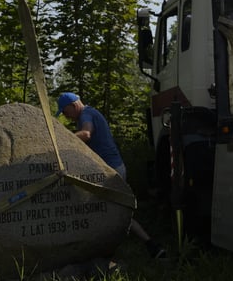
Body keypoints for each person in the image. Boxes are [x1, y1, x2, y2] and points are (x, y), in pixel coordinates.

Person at [57, 92, 166, 259]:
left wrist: (62, 140)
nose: (66, 116)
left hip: (112, 171)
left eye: (65, 112)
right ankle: (151, 246)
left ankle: (121, 250)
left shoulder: (86, 114)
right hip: (112, 169)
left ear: (73, 105)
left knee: (109, 211)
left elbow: (86, 134)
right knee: (116, 210)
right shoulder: (89, 113)